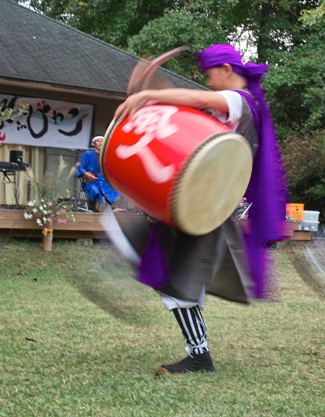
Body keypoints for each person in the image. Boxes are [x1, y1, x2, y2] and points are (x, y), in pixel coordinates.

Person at [113, 44, 286, 373]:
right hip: (202, 204)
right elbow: (188, 121)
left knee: (173, 278)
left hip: (206, 207)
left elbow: (200, 100)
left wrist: (148, 96)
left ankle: (199, 355)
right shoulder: (233, 108)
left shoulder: (240, 100)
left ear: (226, 69)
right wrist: (151, 91)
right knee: (168, 273)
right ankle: (198, 352)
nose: (207, 83)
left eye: (209, 75)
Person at [75, 136, 123, 212]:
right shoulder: (88, 154)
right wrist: (87, 175)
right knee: (95, 190)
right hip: (90, 180)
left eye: (102, 141)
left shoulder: (106, 155)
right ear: (94, 144)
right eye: (98, 141)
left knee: (116, 188)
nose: (100, 143)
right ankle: (92, 207)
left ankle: (115, 207)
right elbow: (80, 166)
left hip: (103, 180)